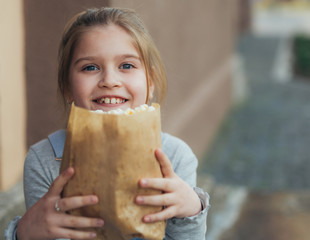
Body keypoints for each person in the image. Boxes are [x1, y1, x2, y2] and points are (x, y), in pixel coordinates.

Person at [5, 7, 209, 240]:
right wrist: (25, 233)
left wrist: (191, 210)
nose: (110, 81)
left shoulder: (176, 157)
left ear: (150, 82)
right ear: (67, 88)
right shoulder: (44, 161)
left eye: (127, 65)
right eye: (90, 67)